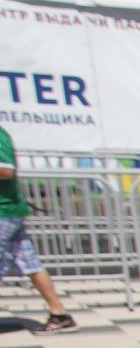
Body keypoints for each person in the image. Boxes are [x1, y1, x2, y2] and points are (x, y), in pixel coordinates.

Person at [0, 125, 77, 333]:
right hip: (9, 212)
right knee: (30, 263)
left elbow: (6, 169)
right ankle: (60, 314)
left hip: (4, 211)